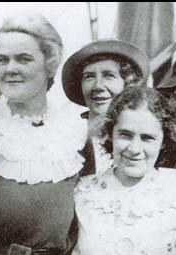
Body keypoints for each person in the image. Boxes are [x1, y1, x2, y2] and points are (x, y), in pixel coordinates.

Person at [0, 15, 94, 255]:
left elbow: (81, 229)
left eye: (23, 59)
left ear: (49, 65)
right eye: (2, 60)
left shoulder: (74, 134)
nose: (10, 69)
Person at [70, 86, 176, 255]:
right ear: (110, 134)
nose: (135, 149)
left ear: (164, 141)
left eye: (148, 138)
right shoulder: (84, 192)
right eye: (125, 134)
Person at [62, 39, 150, 173]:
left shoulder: (144, 137)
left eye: (109, 76)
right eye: (89, 77)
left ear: (128, 83)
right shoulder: (67, 137)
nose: (98, 86)